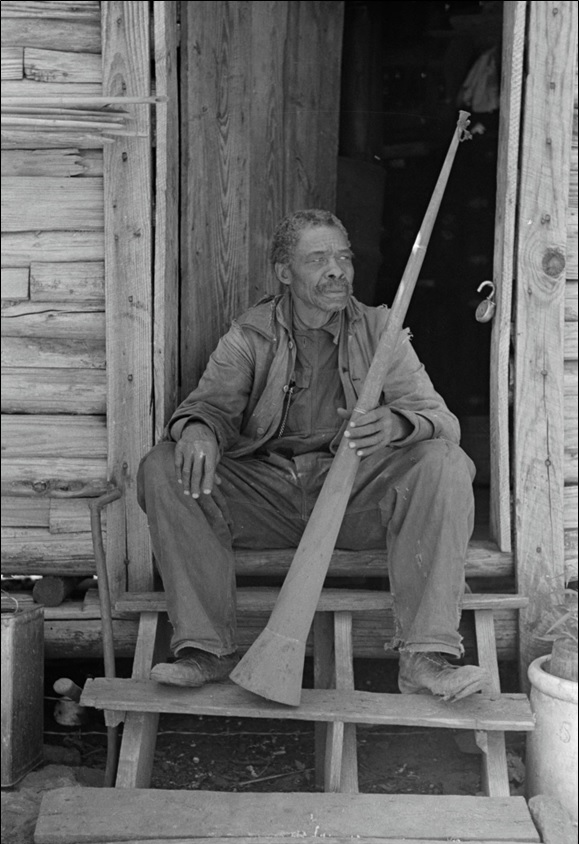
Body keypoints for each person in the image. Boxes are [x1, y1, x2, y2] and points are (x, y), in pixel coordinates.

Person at [137, 209, 488, 701]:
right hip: (268, 498)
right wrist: (197, 430)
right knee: (163, 465)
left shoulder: (381, 330)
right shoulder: (250, 335)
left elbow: (441, 420)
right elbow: (209, 407)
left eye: (343, 257)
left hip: (352, 499)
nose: (336, 270)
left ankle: (426, 657)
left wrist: (397, 423)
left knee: (445, 462)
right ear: (285, 273)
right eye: (319, 259)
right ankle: (206, 650)